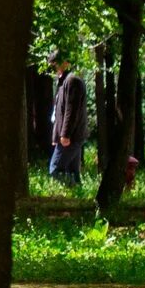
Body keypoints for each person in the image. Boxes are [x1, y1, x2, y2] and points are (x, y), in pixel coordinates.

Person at [48, 56, 87, 190]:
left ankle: (75, 191)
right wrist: (56, 136)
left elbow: (71, 110)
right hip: (71, 136)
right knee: (73, 172)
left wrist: (65, 135)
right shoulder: (64, 81)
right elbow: (58, 112)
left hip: (71, 136)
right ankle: (79, 198)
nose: (54, 68)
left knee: (55, 169)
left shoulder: (72, 80)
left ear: (65, 62)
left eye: (55, 64)